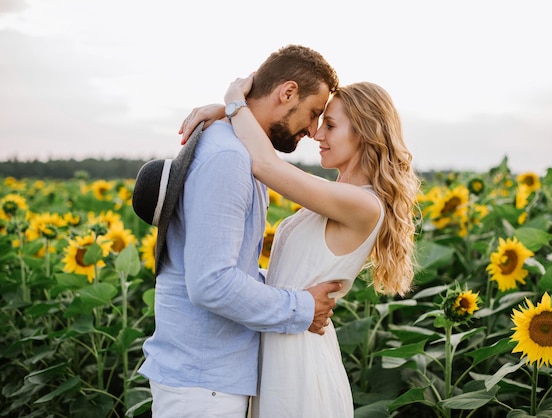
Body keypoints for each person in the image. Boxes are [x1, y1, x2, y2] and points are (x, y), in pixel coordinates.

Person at [181, 74, 420, 417]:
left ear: (365, 133)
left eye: (331, 126)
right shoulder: (337, 197)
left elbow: (265, 164)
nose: (317, 134)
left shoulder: (364, 205)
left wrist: (234, 101)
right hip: (283, 337)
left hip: (297, 358)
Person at [137, 45, 342, 418]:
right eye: (314, 114)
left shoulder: (240, 150)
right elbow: (212, 282)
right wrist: (302, 307)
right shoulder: (229, 158)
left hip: (210, 377)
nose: (313, 130)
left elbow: (235, 268)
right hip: (203, 384)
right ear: (287, 92)